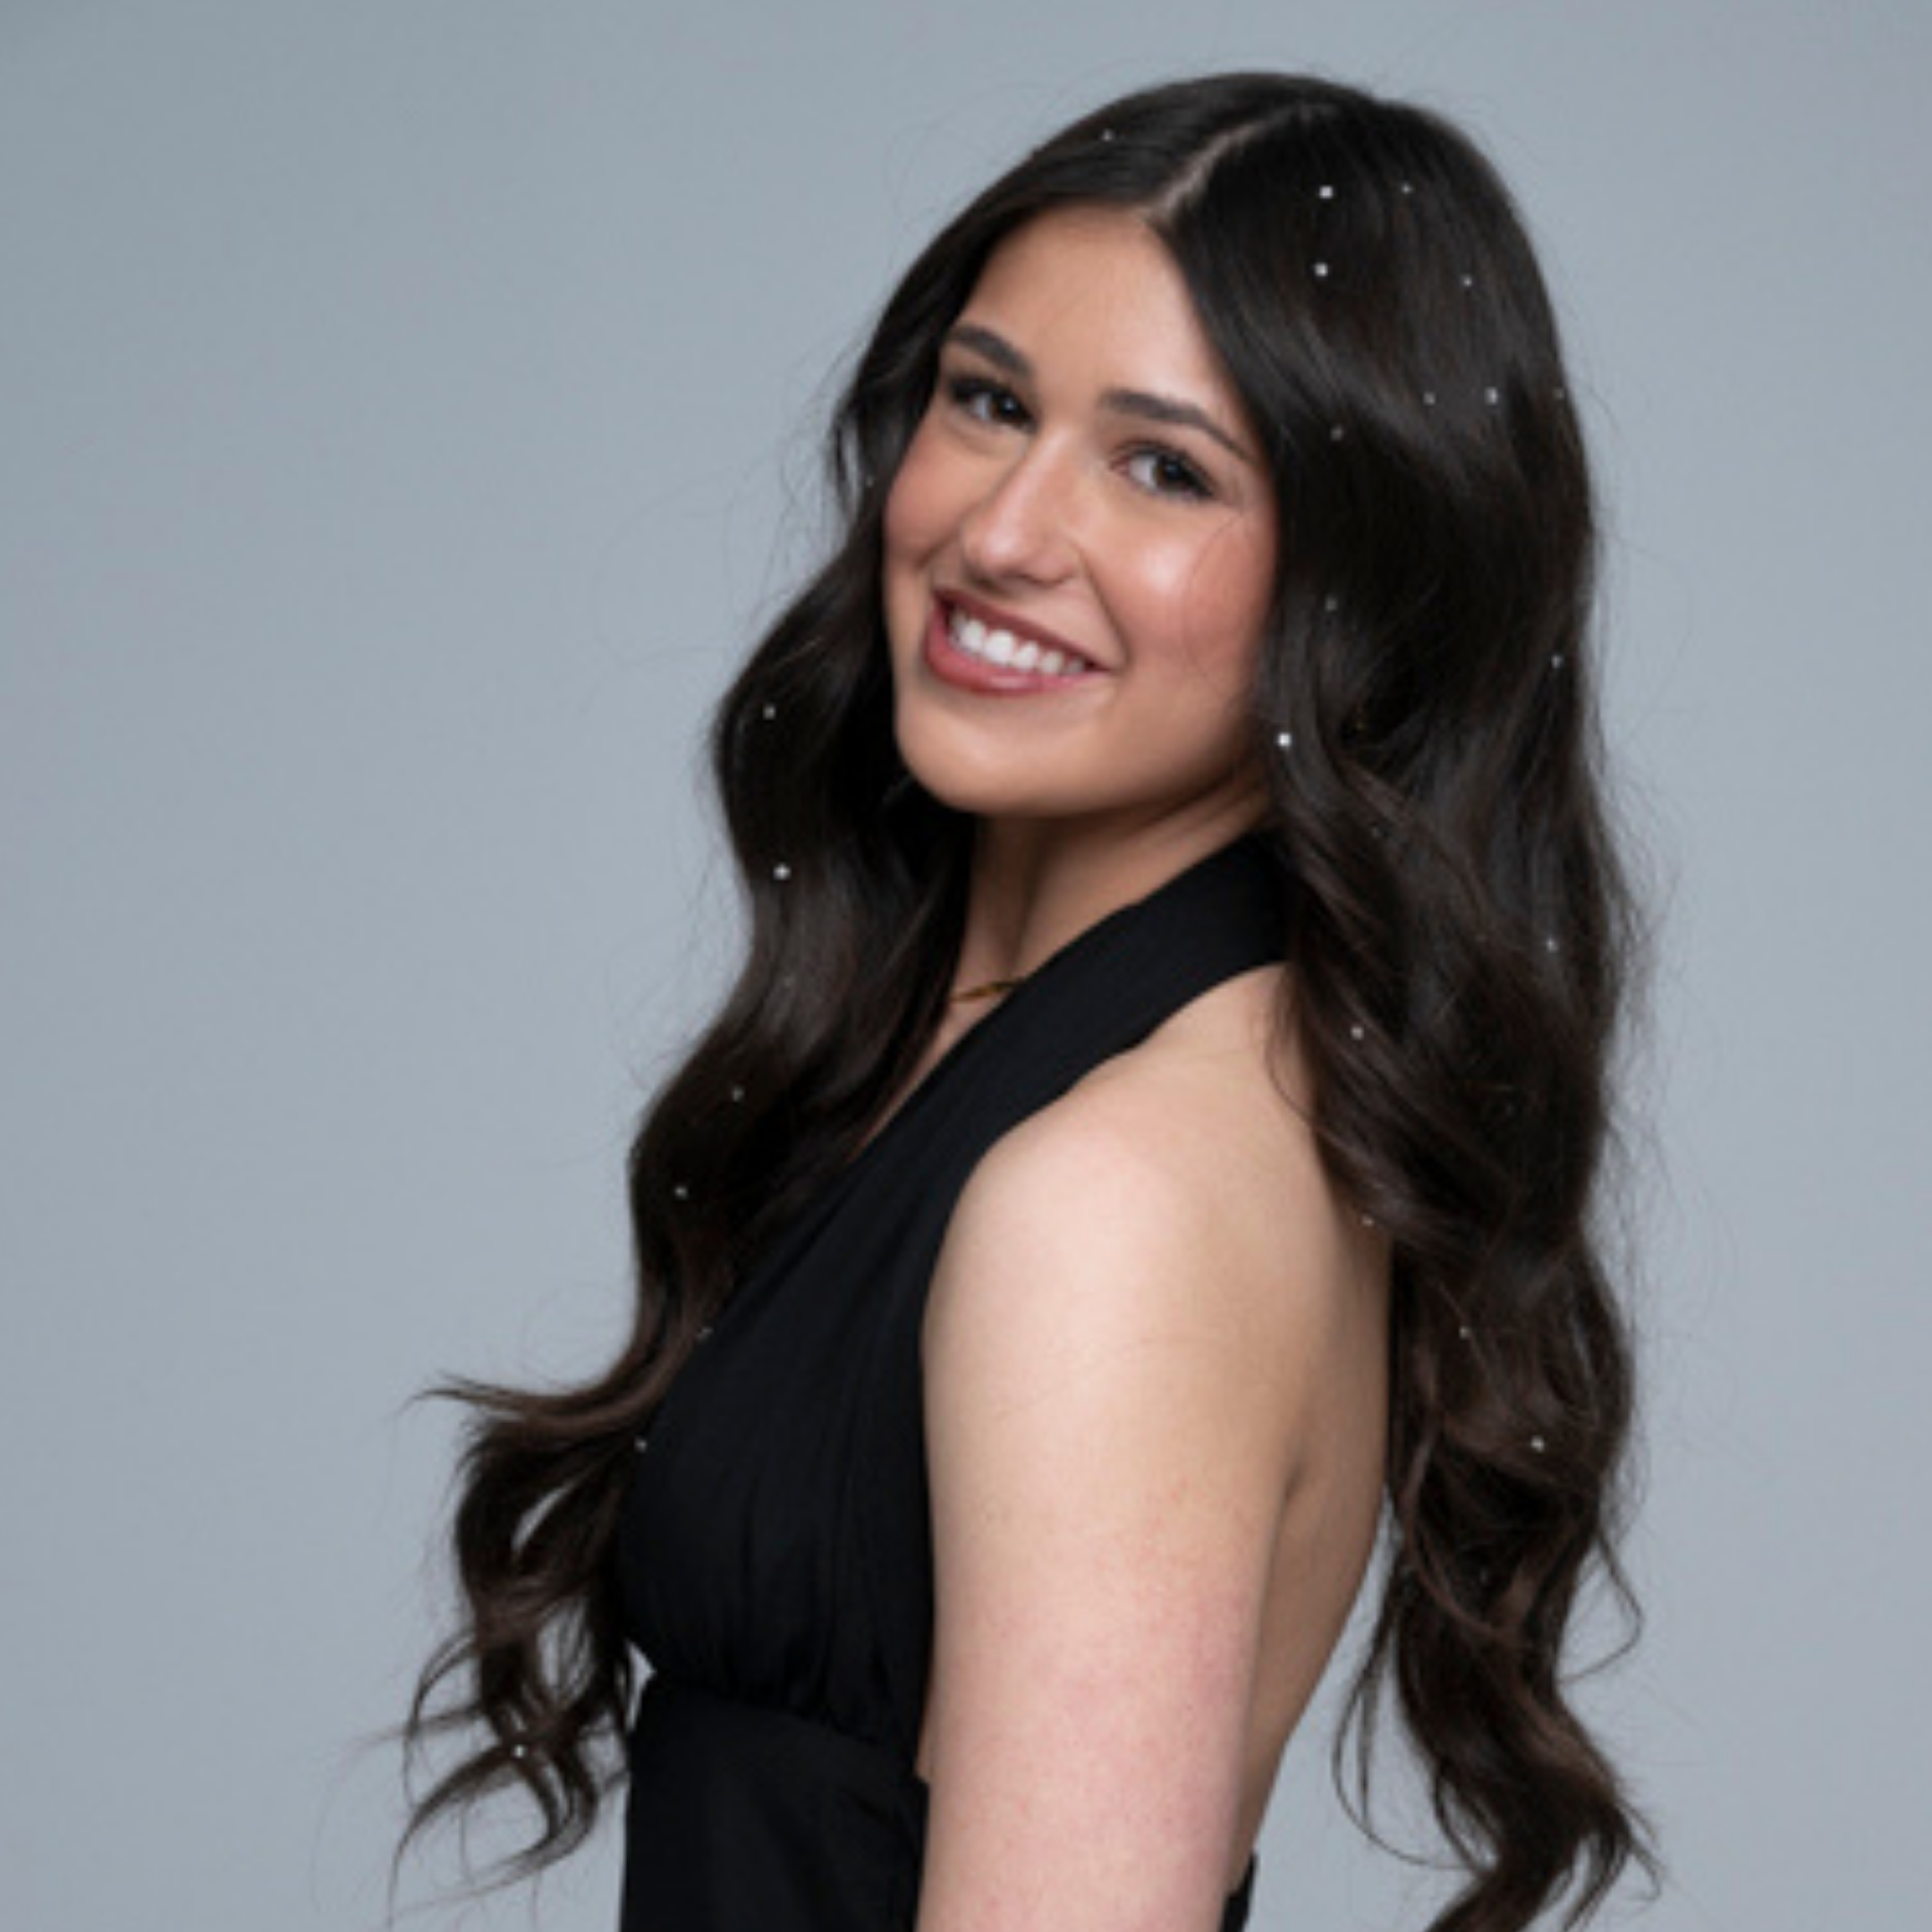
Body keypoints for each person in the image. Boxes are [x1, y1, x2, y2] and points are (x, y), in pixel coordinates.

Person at [402, 72, 1655, 1932]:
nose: (1002, 532)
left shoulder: (1115, 1194)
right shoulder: (1034, 1049)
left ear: (1362, 583)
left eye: (1164, 467)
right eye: (989, 402)